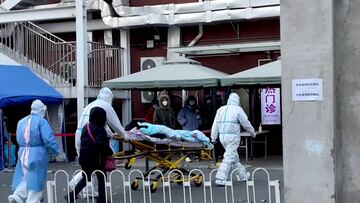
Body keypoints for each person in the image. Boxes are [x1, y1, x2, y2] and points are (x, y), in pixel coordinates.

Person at [72, 87, 126, 197]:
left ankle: (87, 192)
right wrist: (125, 135)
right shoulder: (105, 106)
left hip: (81, 136)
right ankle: (75, 184)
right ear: (109, 97)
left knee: (87, 167)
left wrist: (111, 134)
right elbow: (115, 125)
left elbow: (103, 125)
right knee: (97, 171)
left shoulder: (90, 106)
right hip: (94, 145)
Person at [8, 100, 60, 203]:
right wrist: (56, 151)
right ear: (41, 110)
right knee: (36, 178)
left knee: (24, 176)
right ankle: (32, 200)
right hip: (37, 154)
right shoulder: (42, 121)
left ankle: (17, 196)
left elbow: (18, 138)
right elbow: (48, 139)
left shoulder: (21, 121)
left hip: (23, 152)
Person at [65, 107, 111, 203]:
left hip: (85, 158)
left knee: (86, 177)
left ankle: (72, 195)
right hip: (96, 159)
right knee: (101, 177)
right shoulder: (100, 130)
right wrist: (109, 153)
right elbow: (101, 145)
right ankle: (101, 199)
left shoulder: (86, 127)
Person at [210, 93, 256, 186]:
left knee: (234, 158)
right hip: (232, 138)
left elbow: (215, 125)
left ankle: (242, 175)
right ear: (237, 100)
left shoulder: (220, 110)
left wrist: (213, 137)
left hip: (222, 137)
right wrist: (252, 132)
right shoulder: (238, 109)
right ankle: (220, 178)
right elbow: (245, 123)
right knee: (228, 158)